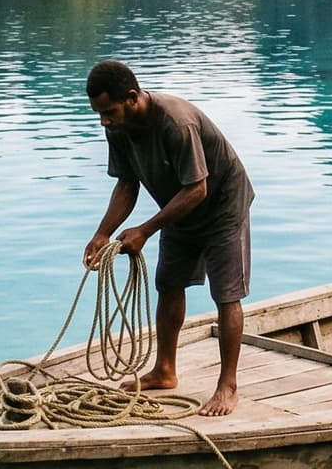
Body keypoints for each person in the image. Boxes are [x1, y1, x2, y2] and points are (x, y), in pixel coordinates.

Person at [82, 60, 254, 416]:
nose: (103, 121)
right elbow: (127, 183)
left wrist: (145, 230)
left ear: (131, 98)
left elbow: (198, 189)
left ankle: (228, 385)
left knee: (226, 294)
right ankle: (165, 370)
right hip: (179, 205)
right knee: (168, 284)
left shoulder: (177, 122)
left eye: (108, 112)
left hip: (221, 205)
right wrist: (103, 233)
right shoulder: (118, 128)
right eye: (98, 114)